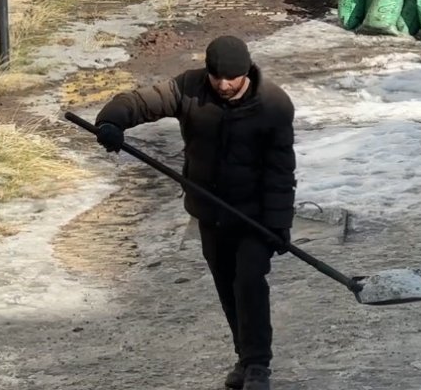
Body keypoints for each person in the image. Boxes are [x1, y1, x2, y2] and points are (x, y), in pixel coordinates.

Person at [93, 35, 296, 390]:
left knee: (249, 282)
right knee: (227, 286)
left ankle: (258, 366)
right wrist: (112, 121)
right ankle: (244, 358)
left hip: (254, 215)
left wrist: (278, 225)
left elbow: (280, 173)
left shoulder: (273, 105)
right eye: (216, 76)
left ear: (246, 71)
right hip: (210, 211)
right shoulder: (190, 87)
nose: (222, 85)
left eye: (230, 78)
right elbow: (140, 101)